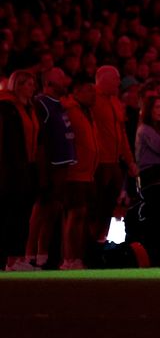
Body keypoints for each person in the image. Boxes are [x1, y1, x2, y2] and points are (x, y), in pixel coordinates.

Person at [26, 68, 76, 269]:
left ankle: (42, 255)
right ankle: (28, 253)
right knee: (40, 210)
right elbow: (39, 139)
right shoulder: (42, 104)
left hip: (62, 166)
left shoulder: (59, 105)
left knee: (52, 210)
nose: (66, 81)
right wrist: (43, 169)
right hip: (50, 166)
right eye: (61, 78)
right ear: (49, 83)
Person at [91, 66, 137, 245]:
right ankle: (89, 245)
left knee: (108, 206)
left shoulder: (116, 102)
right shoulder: (92, 100)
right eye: (116, 79)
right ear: (102, 78)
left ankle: (101, 241)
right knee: (95, 207)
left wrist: (130, 160)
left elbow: (122, 134)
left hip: (114, 163)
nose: (119, 82)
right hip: (99, 163)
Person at [1, 71, 39, 271]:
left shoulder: (29, 108)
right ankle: (10, 259)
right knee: (11, 214)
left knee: (23, 214)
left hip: (27, 167)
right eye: (28, 84)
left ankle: (17, 256)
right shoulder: (7, 108)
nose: (33, 87)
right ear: (18, 85)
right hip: (11, 168)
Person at [61, 79, 98, 270]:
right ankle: (68, 258)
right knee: (75, 215)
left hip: (87, 173)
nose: (93, 94)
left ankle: (76, 257)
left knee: (82, 216)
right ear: (77, 91)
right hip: (74, 172)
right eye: (89, 90)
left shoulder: (86, 111)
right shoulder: (69, 110)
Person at [135, 95, 160, 177]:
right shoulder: (144, 129)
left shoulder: (159, 129)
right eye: (157, 107)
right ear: (149, 110)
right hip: (150, 173)